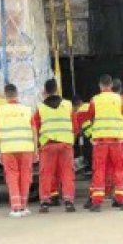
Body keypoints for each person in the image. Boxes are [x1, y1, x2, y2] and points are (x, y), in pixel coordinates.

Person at [33, 79, 78, 213]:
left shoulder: (40, 108)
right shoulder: (68, 105)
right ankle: (69, 201)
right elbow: (75, 127)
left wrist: (38, 145)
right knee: (67, 173)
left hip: (48, 146)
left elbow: (35, 127)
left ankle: (45, 203)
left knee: (46, 174)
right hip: (65, 145)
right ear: (57, 89)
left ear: (45, 91)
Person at [85, 75, 123, 211]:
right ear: (111, 85)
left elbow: (90, 117)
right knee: (119, 169)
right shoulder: (120, 99)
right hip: (116, 141)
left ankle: (97, 202)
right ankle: (121, 200)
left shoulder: (95, 100)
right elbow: (122, 115)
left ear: (100, 85)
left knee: (99, 170)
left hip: (100, 141)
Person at [0, 83, 37, 218]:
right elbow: (34, 131)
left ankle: (16, 207)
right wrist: (36, 150)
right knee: (25, 177)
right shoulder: (27, 110)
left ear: (5, 95)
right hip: (26, 148)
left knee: (12, 177)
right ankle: (24, 206)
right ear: (17, 94)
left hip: (8, 149)